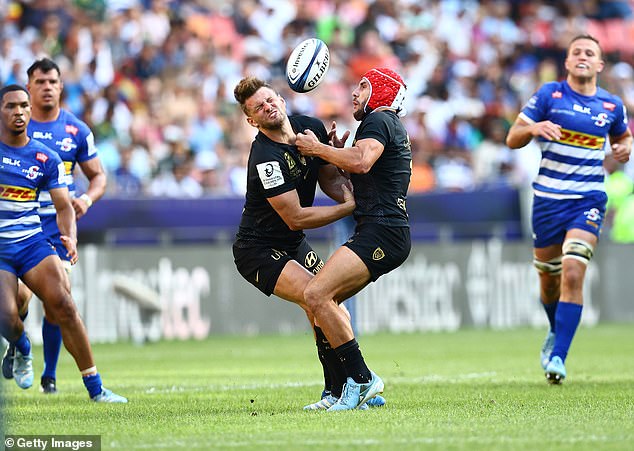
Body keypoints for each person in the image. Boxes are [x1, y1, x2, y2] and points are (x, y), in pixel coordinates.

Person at [232, 76, 385, 411]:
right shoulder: (265, 158)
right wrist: (345, 208)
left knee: (326, 303)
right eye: (259, 107)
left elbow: (327, 176)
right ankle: (356, 382)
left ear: (282, 100)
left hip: (292, 243)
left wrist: (339, 172)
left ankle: (338, 390)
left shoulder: (309, 128)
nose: (268, 106)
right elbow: (296, 217)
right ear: (251, 120)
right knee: (317, 298)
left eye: (270, 99)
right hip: (257, 250)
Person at [506, 34, 632, 384]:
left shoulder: (611, 106)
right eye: (576, 51)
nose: (582, 56)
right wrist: (533, 127)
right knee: (549, 283)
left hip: (588, 200)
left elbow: (623, 139)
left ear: (599, 64)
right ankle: (555, 330)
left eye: (589, 52)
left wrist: (625, 149)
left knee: (574, 271)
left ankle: (558, 357)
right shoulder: (549, 95)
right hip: (547, 200)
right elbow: (512, 138)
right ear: (567, 62)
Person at [0, 84, 126, 402]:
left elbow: (63, 206)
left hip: (31, 242)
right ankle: (22, 346)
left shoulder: (46, 158)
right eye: (11, 106)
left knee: (65, 306)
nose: (19, 112)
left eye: (23, 106)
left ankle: (96, 389)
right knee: (7, 316)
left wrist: (69, 236)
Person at [295, 67, 412, 410]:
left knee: (316, 294)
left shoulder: (379, 120)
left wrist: (318, 150)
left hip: (382, 230)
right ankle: (336, 390)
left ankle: (361, 380)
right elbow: (361, 180)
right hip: (382, 229)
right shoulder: (384, 126)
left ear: (382, 91)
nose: (354, 93)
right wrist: (335, 157)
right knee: (319, 303)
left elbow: (361, 161)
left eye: (363, 85)